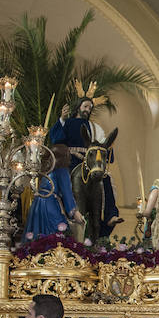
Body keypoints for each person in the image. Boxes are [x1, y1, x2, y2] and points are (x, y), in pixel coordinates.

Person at [49, 97, 123, 238]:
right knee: (60, 181)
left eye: (90, 108)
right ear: (78, 107)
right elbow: (56, 140)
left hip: (89, 163)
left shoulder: (95, 128)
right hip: (70, 162)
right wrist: (62, 120)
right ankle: (59, 216)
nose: (87, 110)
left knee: (106, 179)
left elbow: (103, 146)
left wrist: (108, 147)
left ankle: (110, 215)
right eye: (85, 106)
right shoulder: (67, 123)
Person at [24, 144, 84, 239]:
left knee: (37, 236)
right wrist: (74, 212)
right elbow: (66, 192)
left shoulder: (47, 170)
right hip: (50, 204)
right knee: (58, 233)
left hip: (37, 204)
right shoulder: (62, 170)